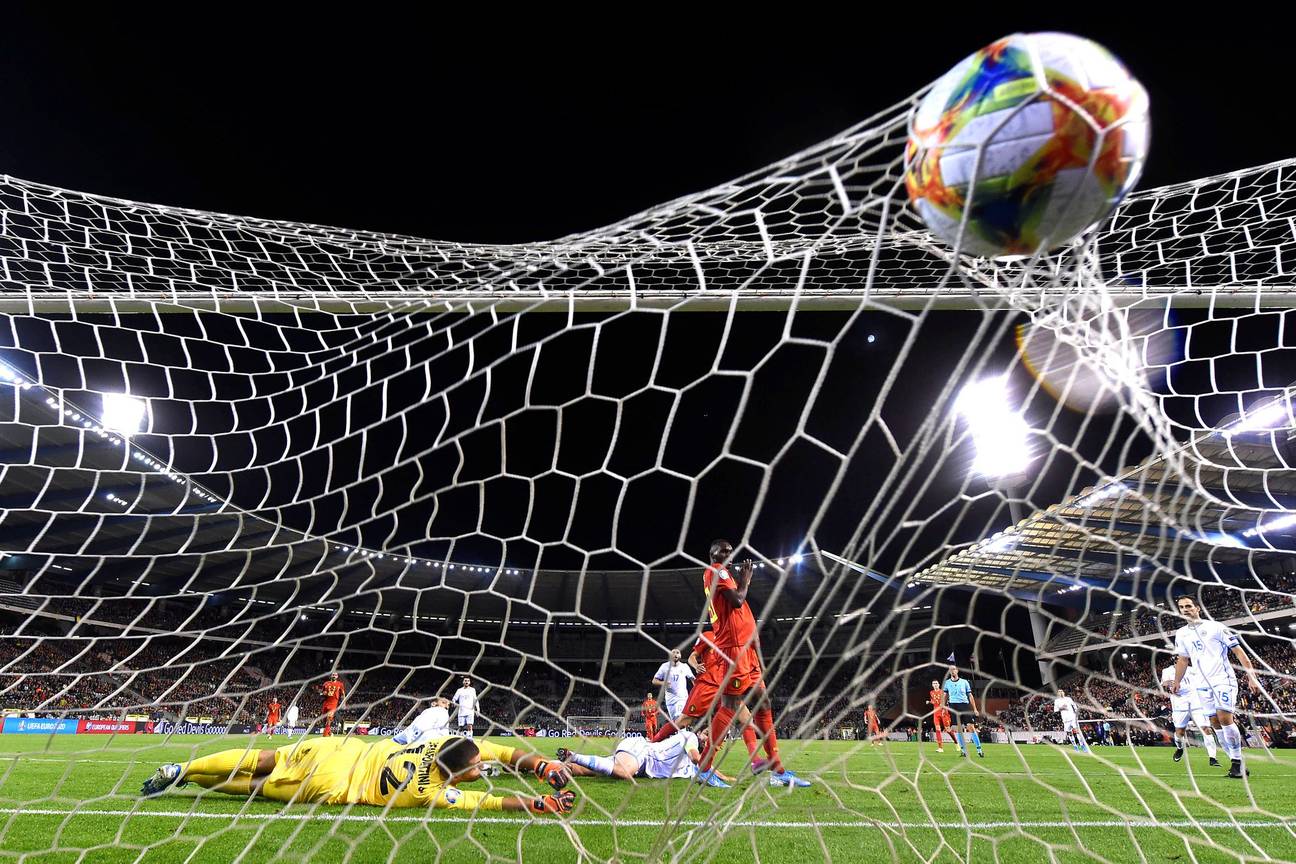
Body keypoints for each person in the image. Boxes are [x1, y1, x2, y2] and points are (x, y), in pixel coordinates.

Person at [140, 735, 575, 815]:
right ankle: (194, 780)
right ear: (457, 776)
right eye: (476, 767)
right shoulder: (431, 793)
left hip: (342, 748)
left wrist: (542, 765)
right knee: (252, 789)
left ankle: (185, 768)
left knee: (264, 757)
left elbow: (498, 750)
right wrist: (538, 802)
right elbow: (491, 801)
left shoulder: (441, 741)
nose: (483, 766)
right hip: (337, 786)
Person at [699, 539, 809, 787]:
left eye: (730, 550)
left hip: (745, 648)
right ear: (712, 553)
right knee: (730, 706)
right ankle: (704, 768)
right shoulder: (717, 570)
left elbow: (734, 603)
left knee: (763, 700)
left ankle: (778, 771)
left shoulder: (719, 573)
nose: (728, 553)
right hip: (734, 648)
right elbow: (737, 600)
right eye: (723, 550)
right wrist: (746, 580)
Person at [1169, 596, 1262, 778]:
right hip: (1202, 684)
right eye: (1181, 607)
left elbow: (1238, 651)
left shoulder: (1216, 627)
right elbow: (1183, 659)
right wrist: (1177, 681)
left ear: (1197, 608)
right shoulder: (1181, 633)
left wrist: (1252, 676)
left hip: (1222, 679)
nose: (1185, 609)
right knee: (1214, 723)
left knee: (1224, 718)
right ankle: (1237, 761)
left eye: (1188, 606)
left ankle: (1236, 763)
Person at [648, 630, 761, 762]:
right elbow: (692, 656)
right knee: (684, 721)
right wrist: (696, 666)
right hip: (708, 684)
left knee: (746, 718)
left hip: (726, 687)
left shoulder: (733, 639)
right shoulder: (708, 635)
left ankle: (756, 761)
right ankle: (651, 744)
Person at [557, 730, 733, 786]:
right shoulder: (691, 738)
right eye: (708, 734)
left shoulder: (690, 757)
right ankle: (574, 755)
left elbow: (704, 766)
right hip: (642, 751)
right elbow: (697, 760)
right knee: (623, 772)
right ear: (701, 732)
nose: (708, 739)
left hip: (642, 764)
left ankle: (554, 766)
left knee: (589, 771)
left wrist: (724, 777)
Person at [1160, 660, 1220, 767]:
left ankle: (1213, 758)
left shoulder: (1193, 670)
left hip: (1196, 702)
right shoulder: (1167, 671)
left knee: (1205, 728)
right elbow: (1164, 683)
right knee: (1180, 732)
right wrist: (1171, 683)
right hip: (1179, 703)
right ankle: (1180, 748)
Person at [942, 667, 983, 758]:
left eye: (954, 669)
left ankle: (979, 750)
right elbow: (945, 695)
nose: (952, 671)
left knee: (971, 728)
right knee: (957, 729)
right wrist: (944, 707)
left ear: (957, 671)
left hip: (964, 706)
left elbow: (970, 696)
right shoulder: (947, 683)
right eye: (950, 670)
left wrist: (975, 709)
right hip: (953, 706)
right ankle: (964, 751)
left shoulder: (964, 682)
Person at [652, 649, 694, 723]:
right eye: (673, 653)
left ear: (680, 655)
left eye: (677, 652)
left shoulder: (684, 666)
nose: (675, 654)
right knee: (674, 721)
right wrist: (663, 683)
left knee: (679, 718)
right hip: (669, 699)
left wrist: (697, 691)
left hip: (682, 698)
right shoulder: (664, 666)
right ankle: (680, 732)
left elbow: (693, 679)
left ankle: (683, 732)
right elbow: (654, 681)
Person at [1051, 689, 1088, 753]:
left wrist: (1076, 712)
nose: (1061, 693)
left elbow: (1074, 705)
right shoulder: (1057, 701)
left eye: (1061, 692)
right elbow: (1055, 710)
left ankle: (1082, 746)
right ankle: (1075, 746)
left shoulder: (1068, 699)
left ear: (1063, 692)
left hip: (1072, 717)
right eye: (1059, 692)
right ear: (1058, 694)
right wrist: (1062, 708)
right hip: (1065, 720)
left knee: (1077, 732)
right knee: (1069, 734)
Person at [926, 679, 950, 753]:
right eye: (934, 683)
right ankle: (940, 748)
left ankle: (956, 742)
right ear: (932, 685)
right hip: (936, 712)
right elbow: (934, 701)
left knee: (948, 730)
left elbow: (946, 701)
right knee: (937, 729)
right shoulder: (931, 692)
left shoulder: (943, 692)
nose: (935, 684)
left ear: (939, 684)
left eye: (936, 683)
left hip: (943, 712)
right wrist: (929, 702)